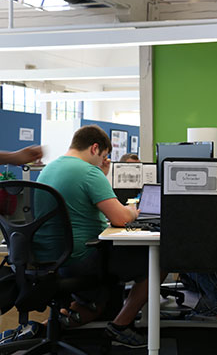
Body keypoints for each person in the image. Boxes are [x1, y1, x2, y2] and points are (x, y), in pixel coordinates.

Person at [34, 125, 149, 348]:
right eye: (104, 156)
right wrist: (134, 211)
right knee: (158, 260)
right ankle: (120, 327)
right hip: (81, 258)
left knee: (99, 297)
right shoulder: (88, 172)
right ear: (95, 148)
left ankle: (56, 323)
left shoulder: (49, 169)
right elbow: (121, 219)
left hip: (50, 259)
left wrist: (101, 174)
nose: (103, 162)